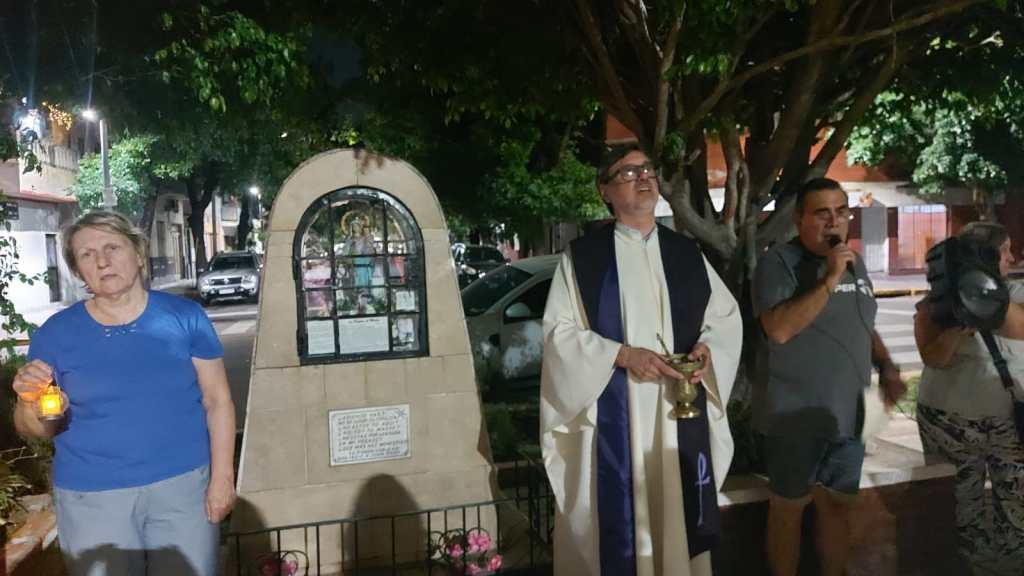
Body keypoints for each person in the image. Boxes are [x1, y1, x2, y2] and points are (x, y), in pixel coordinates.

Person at [540, 144, 743, 575]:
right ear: (605, 191)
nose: (644, 178)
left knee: (677, 513)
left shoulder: (686, 253)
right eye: (628, 173)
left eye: (647, 170)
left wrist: (708, 347)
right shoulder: (584, 258)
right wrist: (621, 354)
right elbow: (559, 335)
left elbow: (724, 318)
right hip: (616, 413)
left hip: (677, 411)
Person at [11, 211, 236, 576]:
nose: (102, 261)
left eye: (112, 247)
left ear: (139, 253)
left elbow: (218, 402)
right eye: (87, 254)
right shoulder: (55, 335)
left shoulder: (185, 317)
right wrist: (28, 401)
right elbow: (36, 428)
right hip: (92, 497)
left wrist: (222, 479)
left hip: (182, 488)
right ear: (78, 271)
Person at [752, 177, 905, 576]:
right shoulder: (779, 263)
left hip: (847, 415)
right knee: (788, 510)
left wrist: (886, 366)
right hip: (794, 416)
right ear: (799, 219)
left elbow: (860, 323)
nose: (834, 222)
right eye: (822, 213)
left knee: (838, 507)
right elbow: (779, 329)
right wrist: (829, 279)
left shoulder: (855, 264)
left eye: (841, 212)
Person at [914, 222, 1024, 574]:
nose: (1012, 258)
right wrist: (960, 321)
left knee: (1016, 507)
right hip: (950, 420)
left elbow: (1020, 327)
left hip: (1008, 419)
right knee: (962, 508)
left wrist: (982, 293)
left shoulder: (1015, 292)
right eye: (1005, 251)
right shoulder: (936, 302)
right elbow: (934, 357)